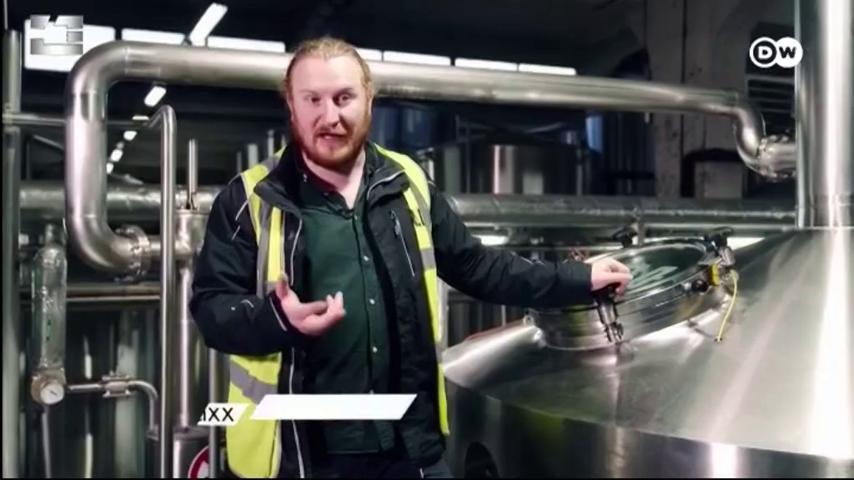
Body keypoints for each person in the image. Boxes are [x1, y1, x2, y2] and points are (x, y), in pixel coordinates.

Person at [190, 36, 632, 479]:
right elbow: (212, 309)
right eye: (313, 100)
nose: (330, 116)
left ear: (369, 99)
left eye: (344, 98)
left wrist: (577, 278)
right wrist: (276, 318)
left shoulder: (408, 182)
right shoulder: (249, 197)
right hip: (303, 456)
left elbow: (477, 266)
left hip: (409, 446)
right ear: (292, 105)